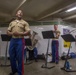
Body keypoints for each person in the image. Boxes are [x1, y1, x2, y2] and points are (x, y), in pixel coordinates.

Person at [7, 10, 31, 75]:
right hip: (12, 40)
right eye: (18, 12)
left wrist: (19, 33)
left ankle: (20, 72)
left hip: (20, 40)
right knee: (11, 56)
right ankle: (14, 70)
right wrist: (12, 33)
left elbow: (28, 32)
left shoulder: (25, 23)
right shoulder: (12, 23)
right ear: (16, 14)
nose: (20, 13)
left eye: (21, 12)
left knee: (20, 57)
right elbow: (8, 32)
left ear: (22, 14)